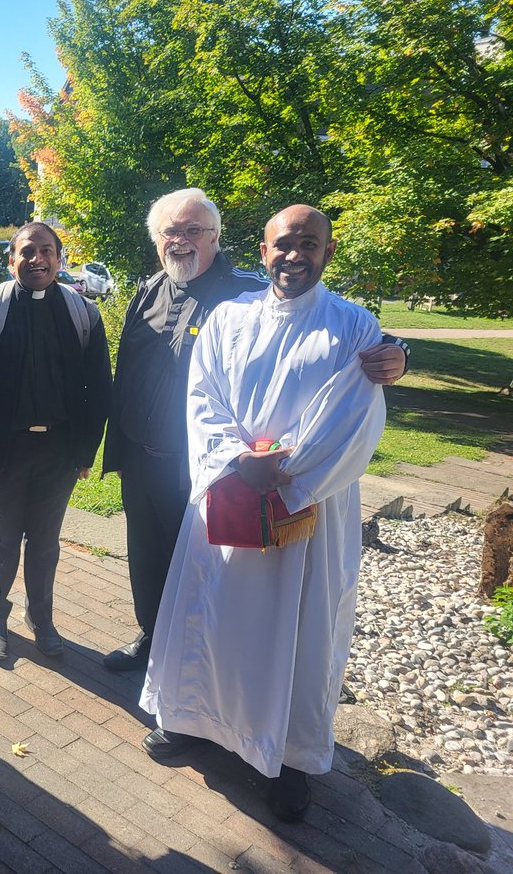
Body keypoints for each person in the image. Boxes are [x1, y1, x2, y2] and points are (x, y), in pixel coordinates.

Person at [139, 205, 387, 822]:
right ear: (263, 249)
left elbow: (354, 419)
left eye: (309, 244)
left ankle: (292, 760)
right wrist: (234, 461)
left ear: (328, 253)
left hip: (307, 510)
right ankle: (193, 720)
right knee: (211, 616)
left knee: (299, 634)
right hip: (229, 498)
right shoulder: (228, 318)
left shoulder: (355, 326)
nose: (294, 255)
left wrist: (286, 478)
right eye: (284, 244)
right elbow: (202, 398)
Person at [101, 189, 408, 672]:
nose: (180, 241)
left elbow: (311, 315)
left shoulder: (241, 292)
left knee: (205, 568)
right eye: (170, 232)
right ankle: (150, 635)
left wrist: (398, 349)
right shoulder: (148, 291)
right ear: (158, 240)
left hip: (208, 464)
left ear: (215, 237)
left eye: (193, 231)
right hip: (142, 456)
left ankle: (198, 659)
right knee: (146, 553)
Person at [0, 222, 112, 661]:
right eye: (27, 252)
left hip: (60, 451)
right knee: (5, 537)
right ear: (12, 260)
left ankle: (40, 618)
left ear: (60, 260)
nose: (37, 259)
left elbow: (99, 388)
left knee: (46, 541)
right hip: (6, 451)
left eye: (46, 251)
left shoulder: (84, 314)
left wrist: (85, 451)